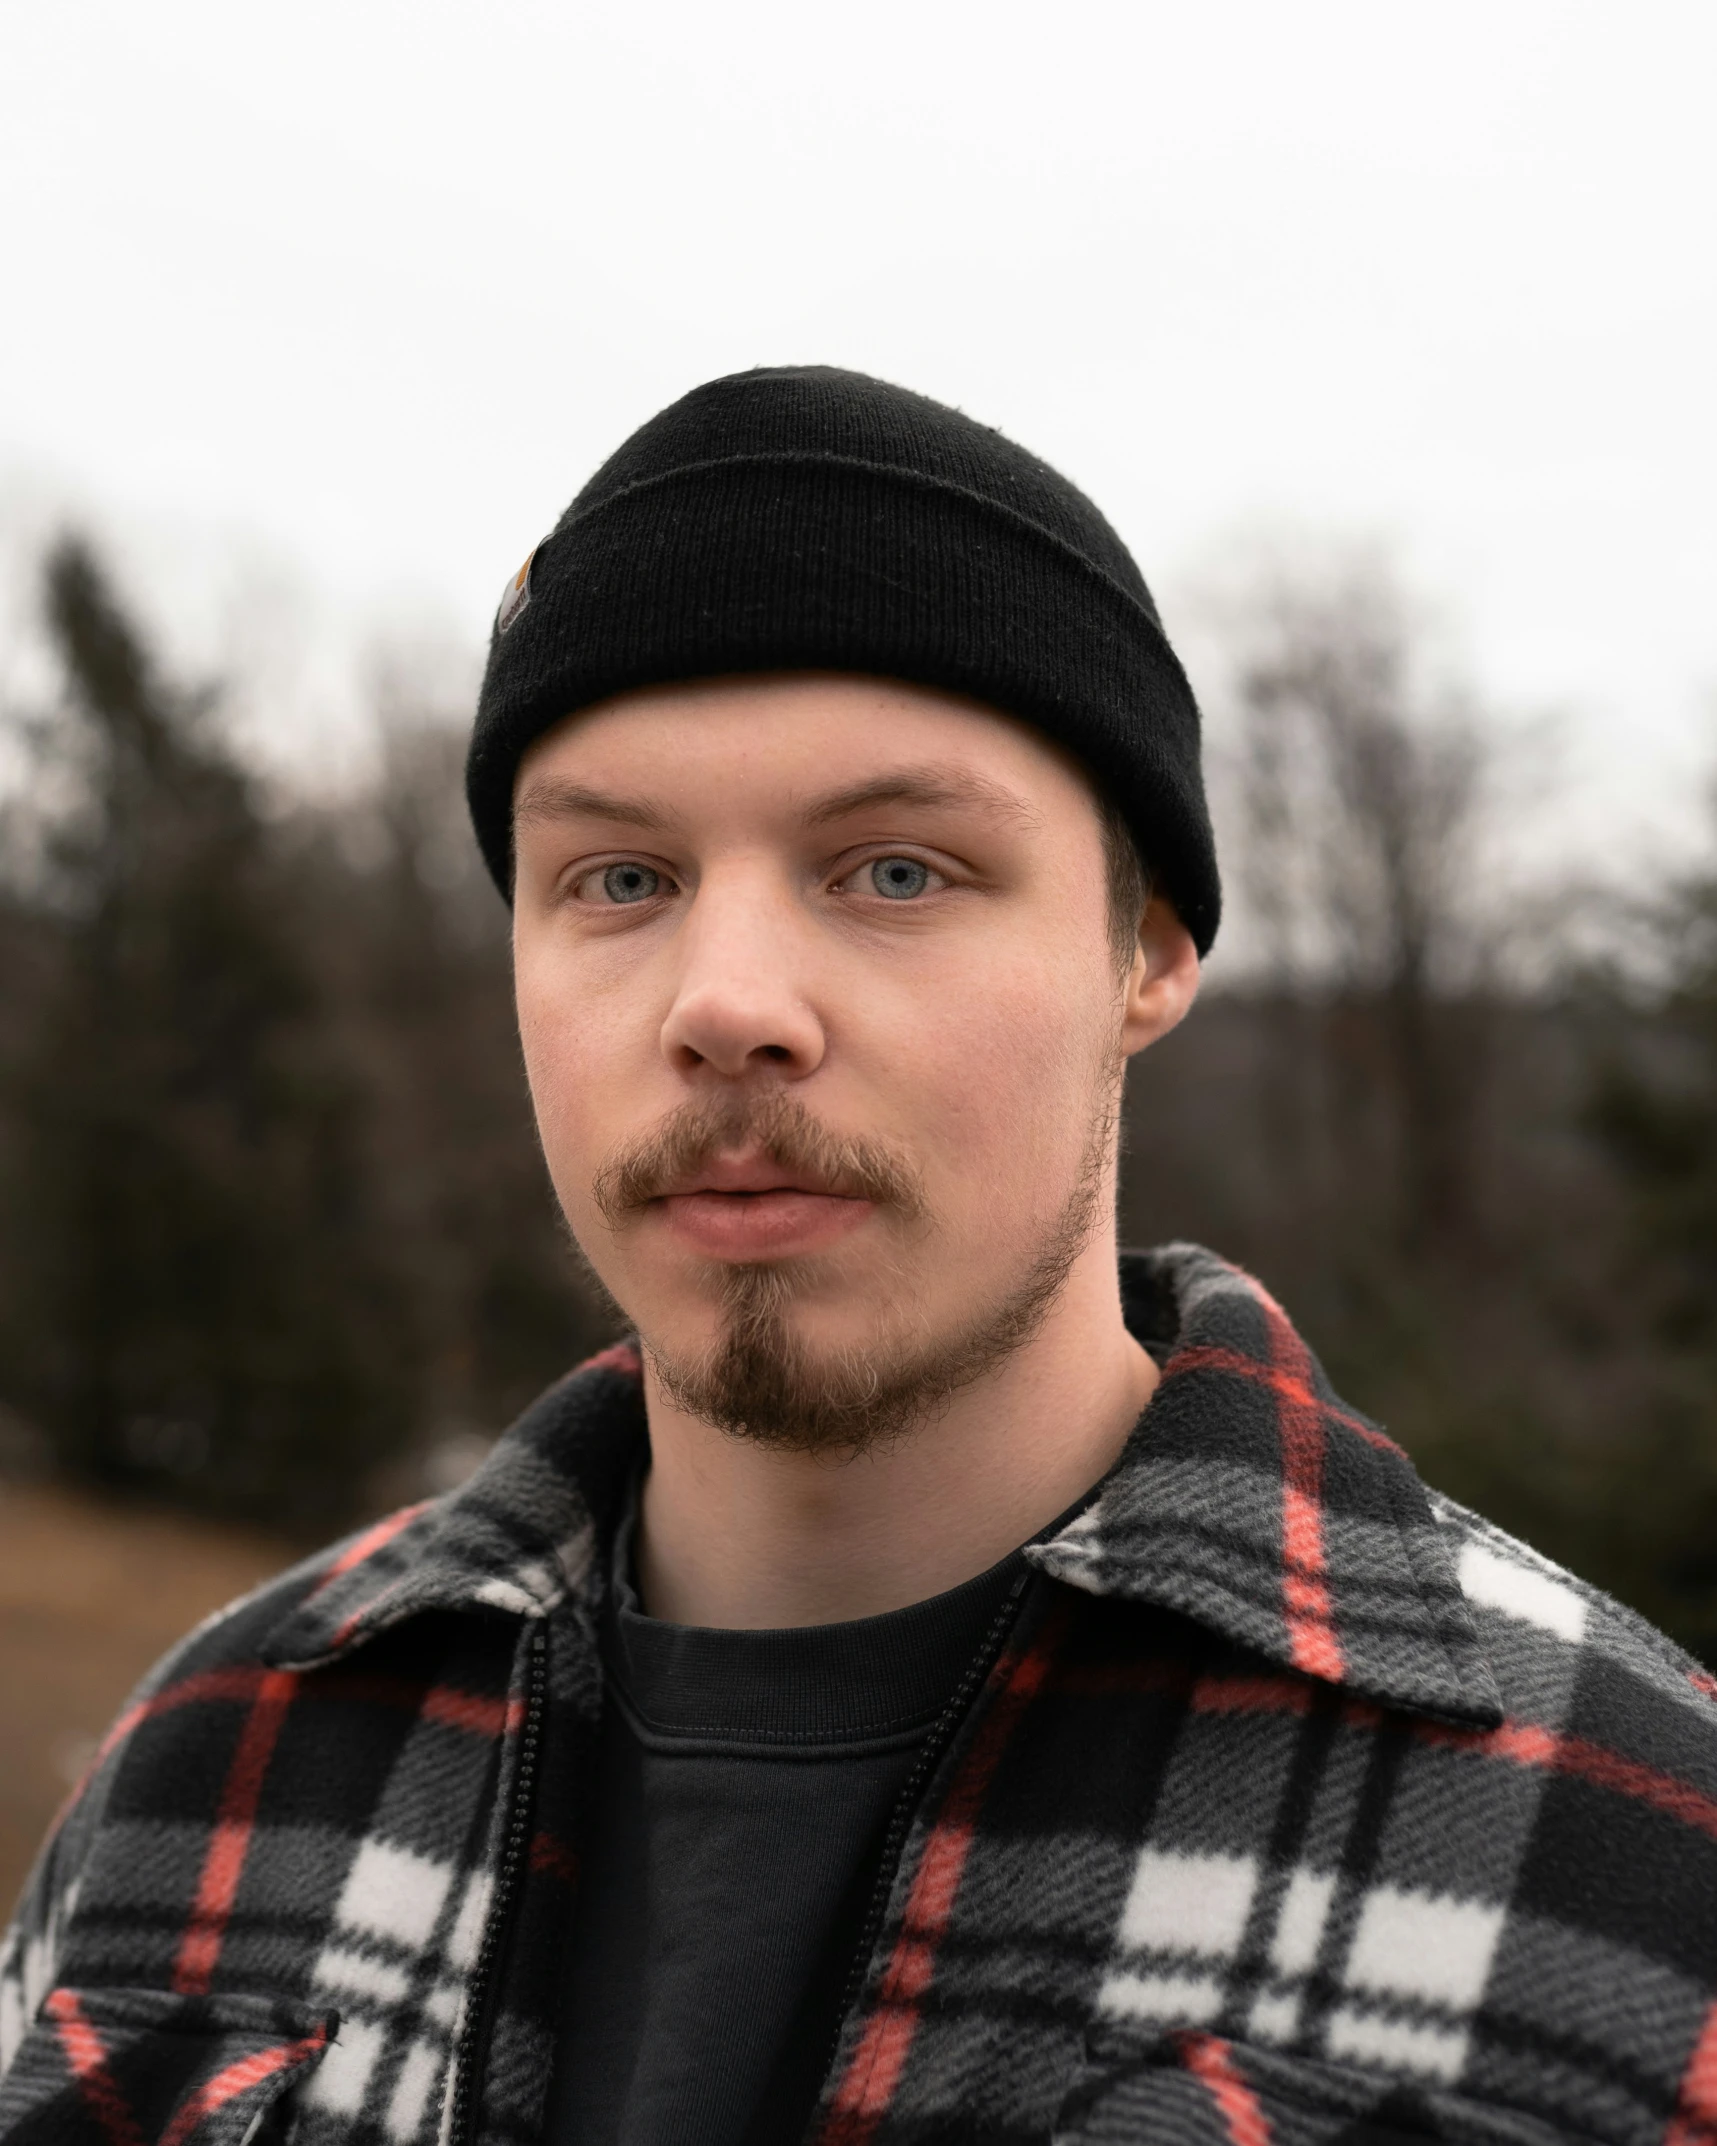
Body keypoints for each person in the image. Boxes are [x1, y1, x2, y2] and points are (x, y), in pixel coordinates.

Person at [3, 368, 1715, 2146]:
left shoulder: (1623, 1870)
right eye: (618, 879)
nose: (727, 1003)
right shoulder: (199, 1775)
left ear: (1143, 948)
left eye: (895, 869)